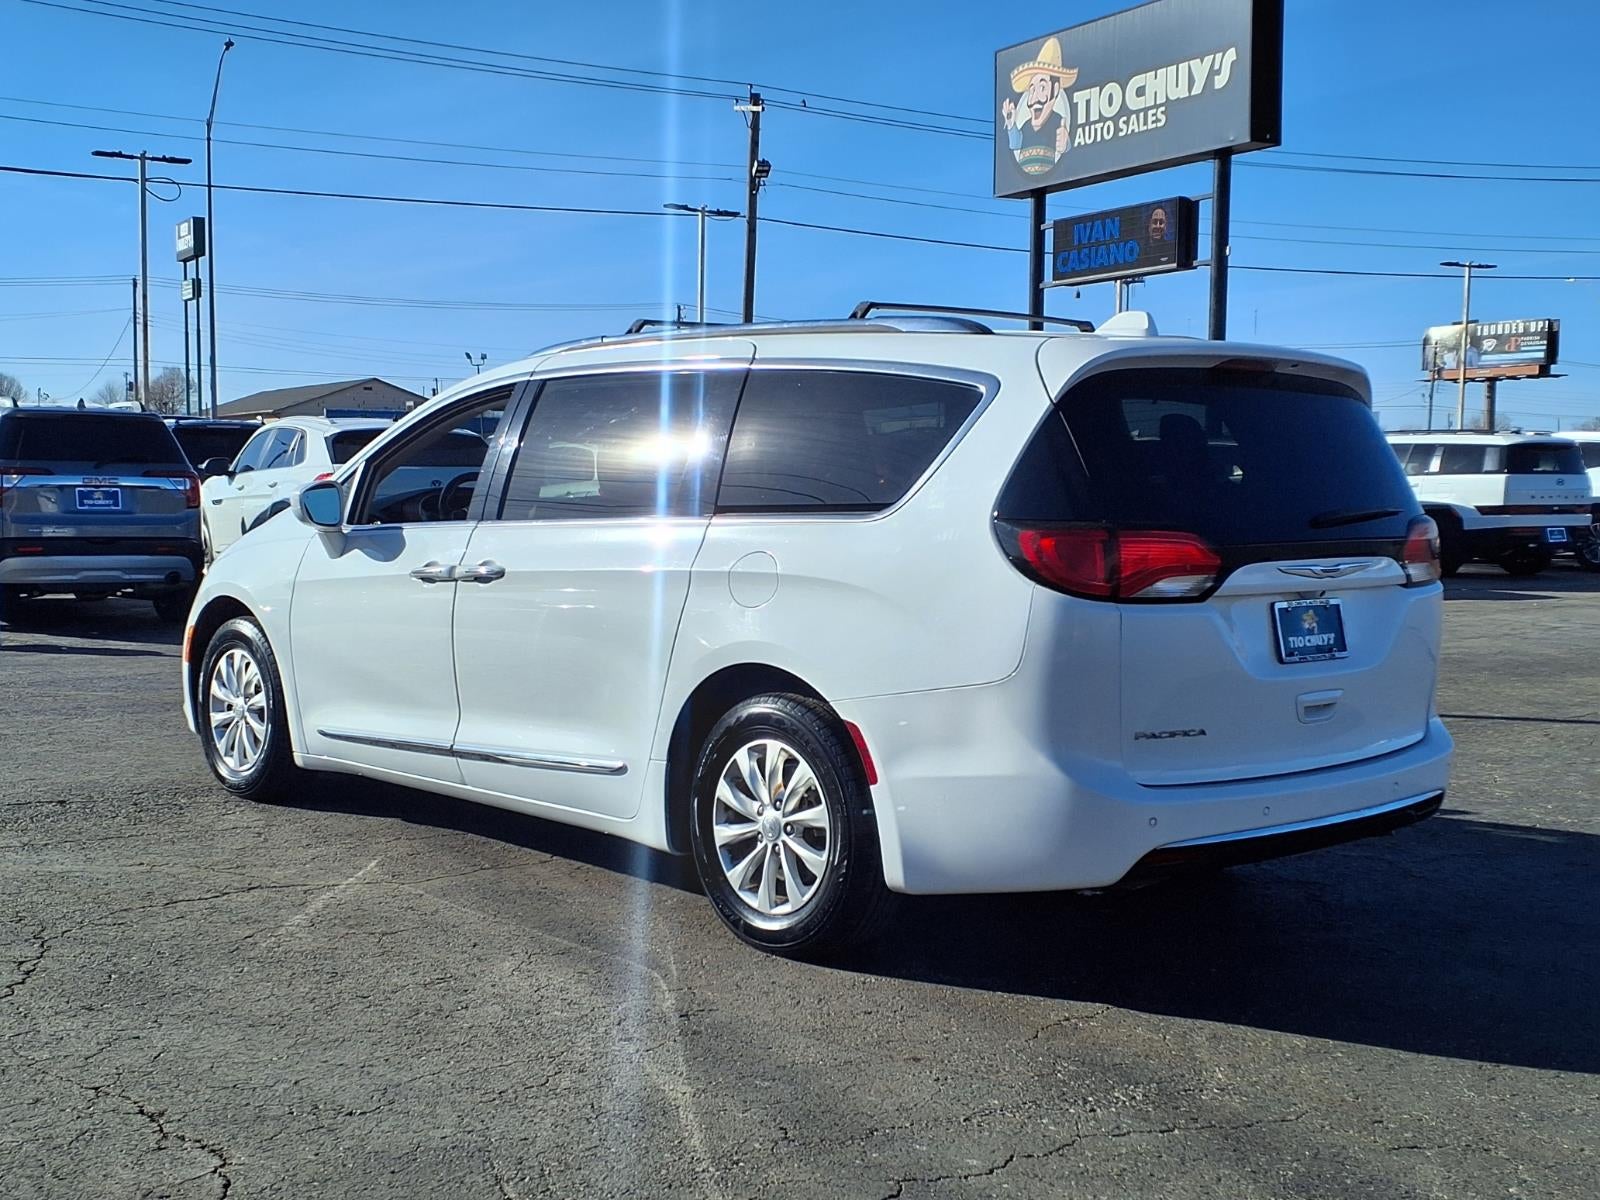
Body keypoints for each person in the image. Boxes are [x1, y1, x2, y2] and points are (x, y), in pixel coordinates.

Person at [1002, 37, 1077, 177]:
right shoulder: (1025, 125)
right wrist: (1011, 125)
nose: (1034, 98)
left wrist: (1066, 145)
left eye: (1042, 88)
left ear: (1055, 89)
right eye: (1032, 90)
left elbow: (1065, 145)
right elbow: (1015, 144)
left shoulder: (1057, 121)